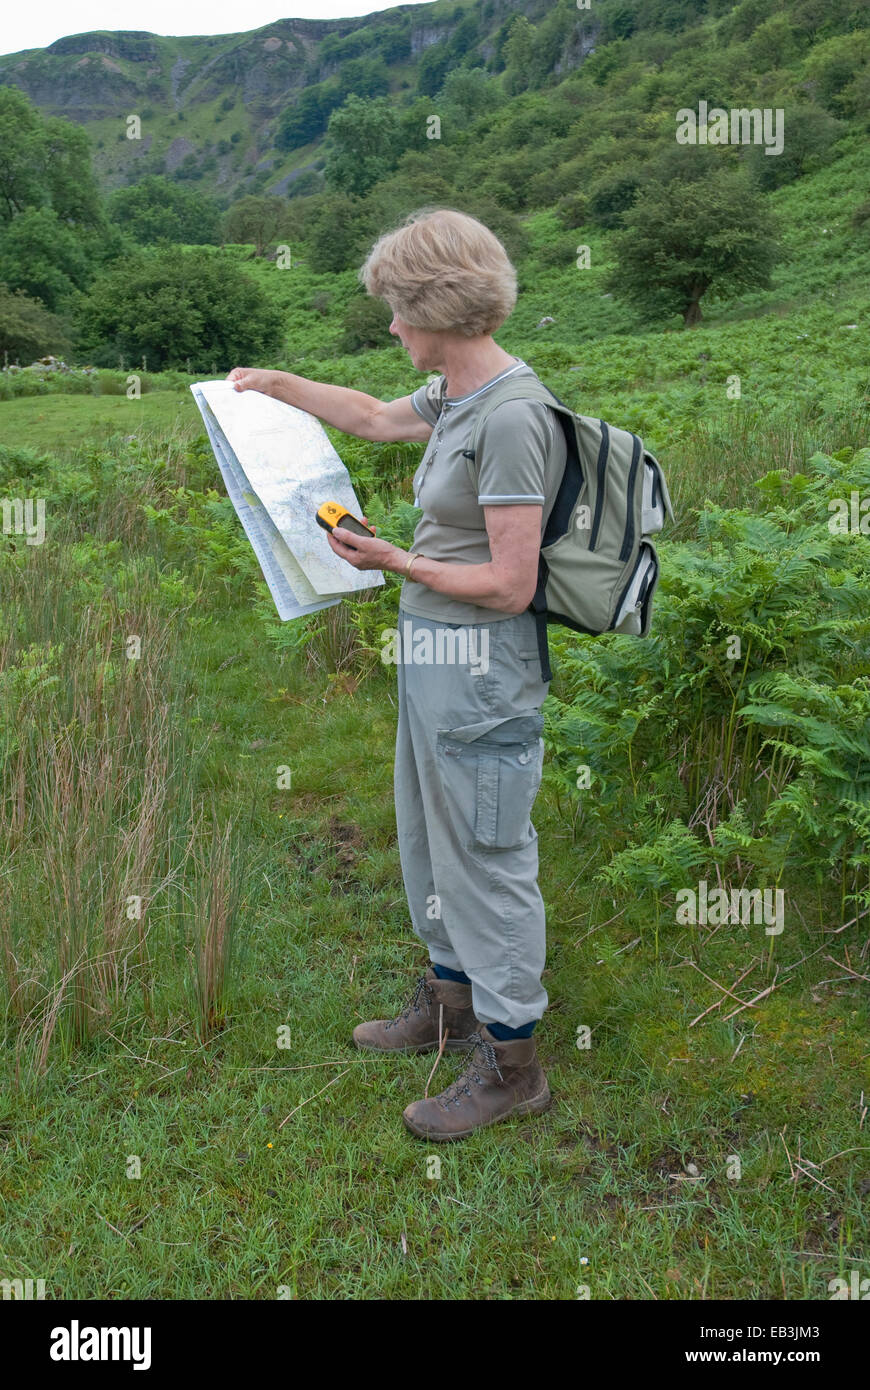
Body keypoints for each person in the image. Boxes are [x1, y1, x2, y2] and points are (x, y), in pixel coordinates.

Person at [228, 208, 566, 1141]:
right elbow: (375, 418)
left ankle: (513, 1067)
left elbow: (509, 583)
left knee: (487, 857)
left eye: (396, 310)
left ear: (438, 308)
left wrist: (394, 561)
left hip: (483, 672)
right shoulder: (456, 395)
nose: (388, 328)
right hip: (433, 661)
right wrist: (275, 385)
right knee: (428, 838)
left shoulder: (511, 416)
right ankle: (451, 1004)